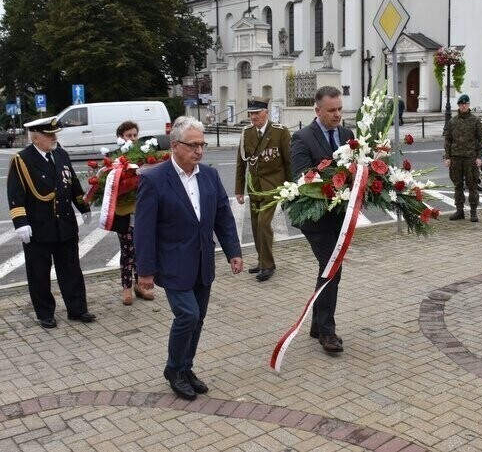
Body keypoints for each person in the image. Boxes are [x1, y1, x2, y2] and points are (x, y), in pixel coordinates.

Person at [134, 117, 243, 401]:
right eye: (192, 145)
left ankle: (186, 367)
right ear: (175, 146)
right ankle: (173, 369)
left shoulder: (209, 175)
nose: (199, 150)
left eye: (202, 145)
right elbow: (144, 230)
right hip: (172, 263)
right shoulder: (154, 179)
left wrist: (233, 251)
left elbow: (223, 216)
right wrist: (145, 271)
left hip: (203, 262)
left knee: (199, 319)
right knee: (188, 315)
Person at [7, 117, 94, 329]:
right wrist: (20, 222)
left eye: (54, 134)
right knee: (39, 273)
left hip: (64, 224)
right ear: (36, 138)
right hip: (38, 227)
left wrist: (83, 207)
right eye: (49, 135)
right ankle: (45, 313)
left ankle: (77, 309)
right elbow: (15, 193)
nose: (54, 138)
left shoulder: (61, 154)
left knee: (71, 269)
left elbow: (72, 183)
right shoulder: (22, 160)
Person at [290, 86, 354, 354]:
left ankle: (318, 325)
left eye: (340, 109)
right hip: (315, 218)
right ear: (317, 110)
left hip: (339, 216)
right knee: (332, 268)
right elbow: (301, 177)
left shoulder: (347, 135)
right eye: (331, 110)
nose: (337, 114)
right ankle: (327, 333)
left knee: (328, 268)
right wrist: (335, 180)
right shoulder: (302, 138)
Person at [235, 97, 291, 282]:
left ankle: (267, 265)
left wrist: (291, 187)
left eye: (257, 113)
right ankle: (262, 261)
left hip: (273, 187)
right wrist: (239, 190)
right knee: (255, 225)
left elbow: (289, 161)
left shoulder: (280, 132)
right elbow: (241, 163)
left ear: (266, 112)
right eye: (251, 114)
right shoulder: (246, 133)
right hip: (254, 187)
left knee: (263, 224)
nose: (253, 117)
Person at [111, 121, 155, 305]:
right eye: (129, 135)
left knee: (142, 251)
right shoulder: (116, 158)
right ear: (121, 137)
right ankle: (126, 288)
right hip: (125, 214)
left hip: (142, 213)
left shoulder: (143, 155)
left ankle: (140, 286)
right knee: (127, 252)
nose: (133, 138)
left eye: (135, 135)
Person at [443, 94, 482, 222]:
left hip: (470, 158)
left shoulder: (475, 120)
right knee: (457, 185)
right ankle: (459, 211)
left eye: (465, 104)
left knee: (472, 185)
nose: (463, 106)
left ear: (468, 105)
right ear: (458, 105)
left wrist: (479, 156)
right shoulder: (453, 121)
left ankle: (473, 212)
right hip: (456, 158)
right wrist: (448, 157)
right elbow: (448, 140)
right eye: (461, 104)